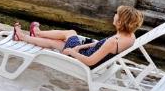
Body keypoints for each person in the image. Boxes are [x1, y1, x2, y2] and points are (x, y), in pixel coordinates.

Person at [10, 6, 144, 67]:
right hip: (85, 51)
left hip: (83, 59)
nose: (114, 15)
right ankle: (24, 36)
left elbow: (90, 61)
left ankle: (36, 33)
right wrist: (80, 47)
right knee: (56, 43)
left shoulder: (114, 41)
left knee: (70, 33)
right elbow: (100, 45)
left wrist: (72, 51)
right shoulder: (129, 36)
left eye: (116, 14)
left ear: (120, 22)